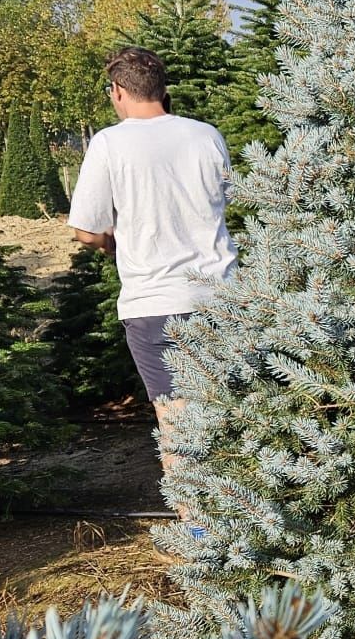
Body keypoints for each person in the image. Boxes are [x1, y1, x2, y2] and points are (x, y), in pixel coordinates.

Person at [67, 46, 236, 477]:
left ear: (118, 91)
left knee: (176, 422)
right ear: (162, 89)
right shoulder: (206, 135)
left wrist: (110, 243)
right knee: (225, 415)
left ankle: (198, 535)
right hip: (222, 296)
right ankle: (240, 526)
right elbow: (223, 203)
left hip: (155, 303)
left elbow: (86, 229)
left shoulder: (109, 143)